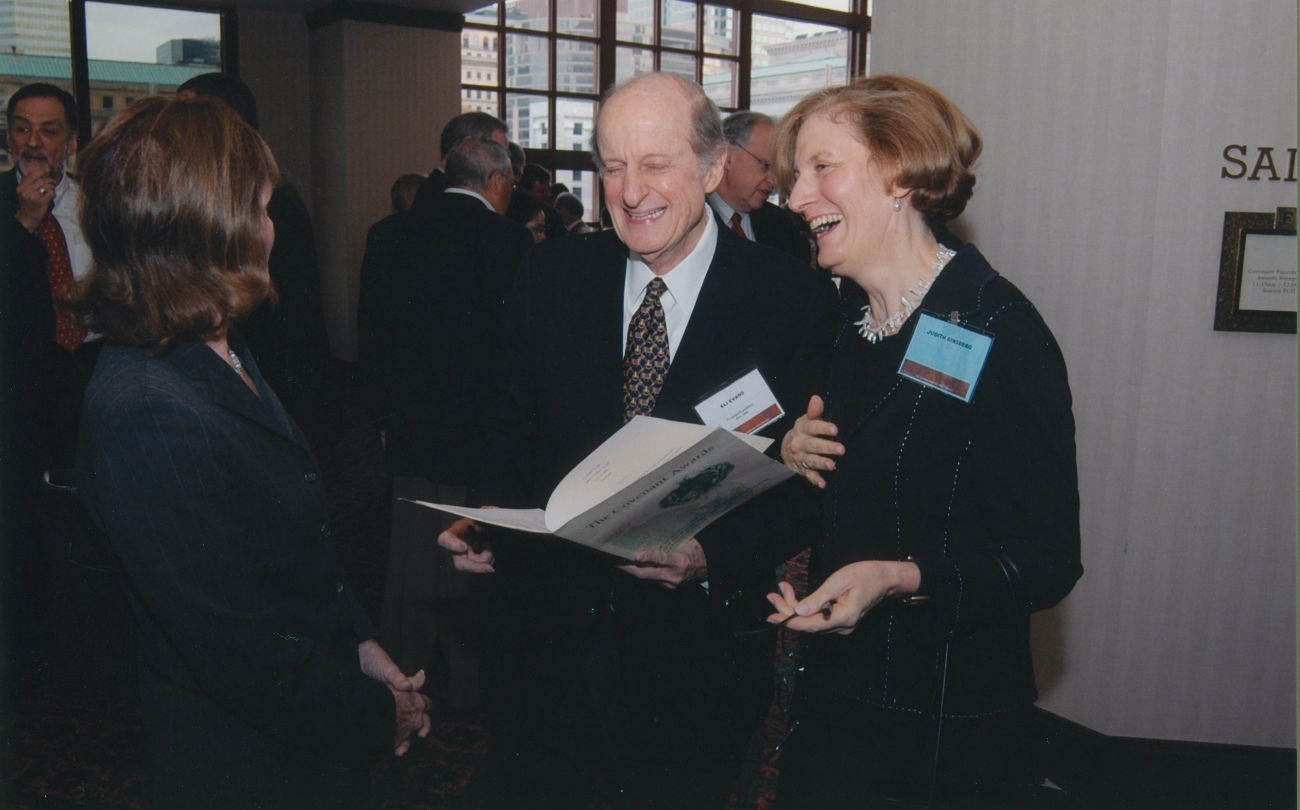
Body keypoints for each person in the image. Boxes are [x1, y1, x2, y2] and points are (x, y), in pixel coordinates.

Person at [439, 72, 836, 809]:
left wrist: (712, 554)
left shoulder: (789, 300)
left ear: (713, 169)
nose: (629, 192)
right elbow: (508, 422)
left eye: (655, 164)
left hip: (697, 659)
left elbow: (809, 483)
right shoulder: (552, 274)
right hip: (549, 644)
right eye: (614, 166)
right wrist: (488, 512)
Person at [71, 96, 431, 809]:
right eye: (262, 209)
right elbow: (239, 649)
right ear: (213, 226)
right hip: (243, 762)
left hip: (293, 729)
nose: (273, 229)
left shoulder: (214, 345)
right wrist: (375, 715)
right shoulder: (148, 408)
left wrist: (361, 645)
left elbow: (290, 551)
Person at [767, 75, 1083, 807]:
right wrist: (791, 449)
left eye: (822, 168)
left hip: (944, 723)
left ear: (901, 172)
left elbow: (1046, 561)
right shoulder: (848, 323)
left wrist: (899, 578)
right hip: (839, 698)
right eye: (794, 176)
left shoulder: (1000, 330)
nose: (796, 197)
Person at [363, 136, 532, 712]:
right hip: (480, 429)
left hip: (412, 423)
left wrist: (382, 415)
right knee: (469, 551)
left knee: (409, 554)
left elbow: (372, 335)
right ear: (497, 181)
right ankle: (469, 686)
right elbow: (518, 348)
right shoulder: (509, 240)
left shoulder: (390, 234)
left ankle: (403, 674)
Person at [177, 72, 339, 452]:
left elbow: (274, 316)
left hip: (270, 386)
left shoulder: (259, 197)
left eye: (187, 115)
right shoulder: (223, 192)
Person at [709, 110, 813, 266]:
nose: (774, 180)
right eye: (765, 165)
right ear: (727, 157)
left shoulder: (782, 225)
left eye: (776, 170)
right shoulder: (692, 220)